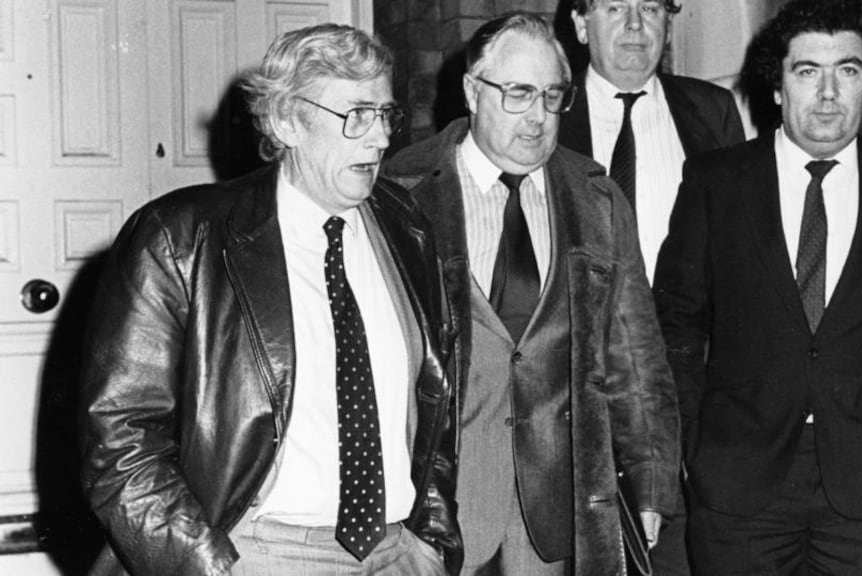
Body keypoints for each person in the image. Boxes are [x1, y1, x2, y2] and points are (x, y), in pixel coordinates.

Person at [79, 23, 461, 576]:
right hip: (258, 552)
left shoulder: (406, 227)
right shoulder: (182, 238)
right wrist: (205, 566)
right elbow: (120, 439)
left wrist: (431, 539)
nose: (380, 138)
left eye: (386, 114)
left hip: (395, 552)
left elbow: (438, 403)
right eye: (356, 115)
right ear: (286, 121)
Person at [652, 0, 862, 574]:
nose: (827, 93)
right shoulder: (716, 182)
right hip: (737, 483)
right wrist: (695, 446)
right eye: (807, 71)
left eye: (847, 70)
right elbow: (675, 327)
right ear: (777, 87)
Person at [384, 13, 679, 576]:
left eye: (552, 96)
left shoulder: (597, 199)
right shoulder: (402, 192)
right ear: (473, 91)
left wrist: (650, 483)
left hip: (554, 509)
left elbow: (636, 356)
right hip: (434, 506)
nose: (538, 117)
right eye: (518, 93)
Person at [560, 0, 745, 281]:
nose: (635, 24)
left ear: (668, 25)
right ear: (581, 25)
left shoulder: (713, 110)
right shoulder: (550, 113)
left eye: (649, 9)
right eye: (616, 8)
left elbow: (736, 237)